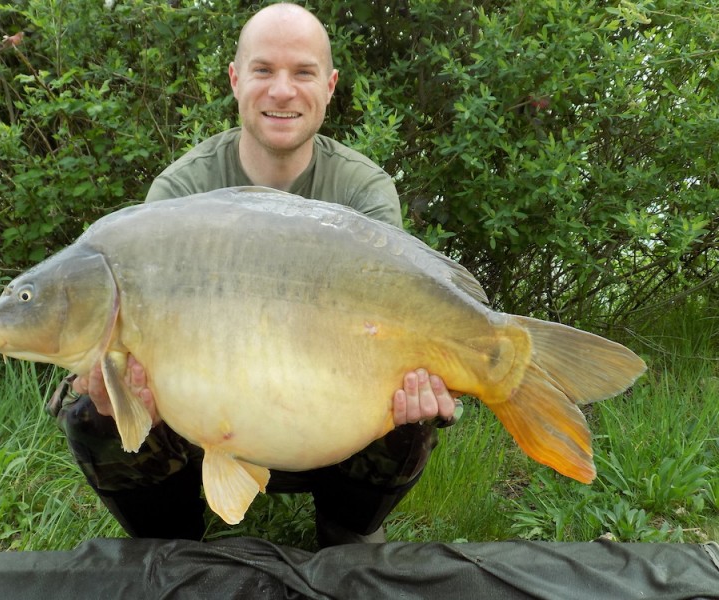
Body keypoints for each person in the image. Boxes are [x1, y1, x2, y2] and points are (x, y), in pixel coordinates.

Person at [47, 2, 463, 547]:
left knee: (412, 415)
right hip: (201, 424)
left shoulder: (364, 192)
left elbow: (399, 316)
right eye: (264, 70)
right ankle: (171, 545)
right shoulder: (180, 193)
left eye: (303, 72)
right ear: (236, 80)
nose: (282, 91)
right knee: (91, 413)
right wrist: (120, 388)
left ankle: (347, 535)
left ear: (330, 85)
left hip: (327, 423)